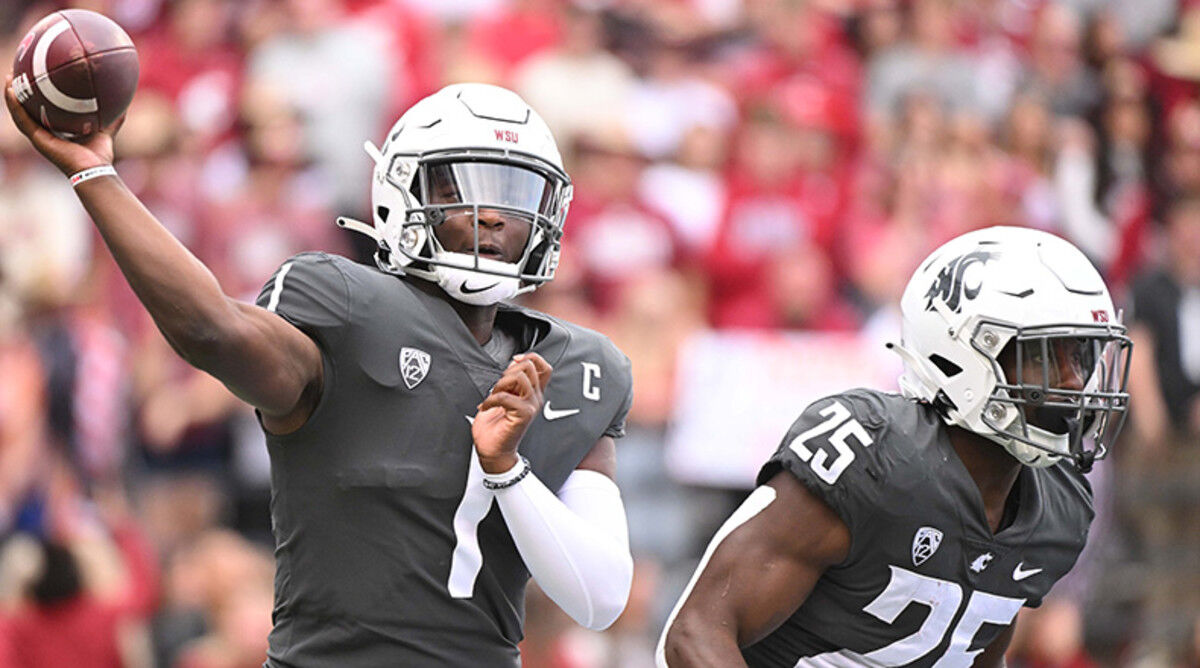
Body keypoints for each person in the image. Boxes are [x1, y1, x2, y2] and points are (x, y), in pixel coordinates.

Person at [4, 80, 635, 665]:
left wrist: (508, 472)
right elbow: (210, 329)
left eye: (516, 196)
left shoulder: (576, 367)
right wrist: (97, 174)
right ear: (403, 191)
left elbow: (599, 597)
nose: (494, 215)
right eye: (460, 187)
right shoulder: (346, 306)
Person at [658, 226, 1132, 666]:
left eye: (1081, 355)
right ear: (962, 352)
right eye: (1044, 357)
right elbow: (696, 633)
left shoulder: (1059, 505)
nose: (1074, 383)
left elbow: (972, 649)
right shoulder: (875, 457)